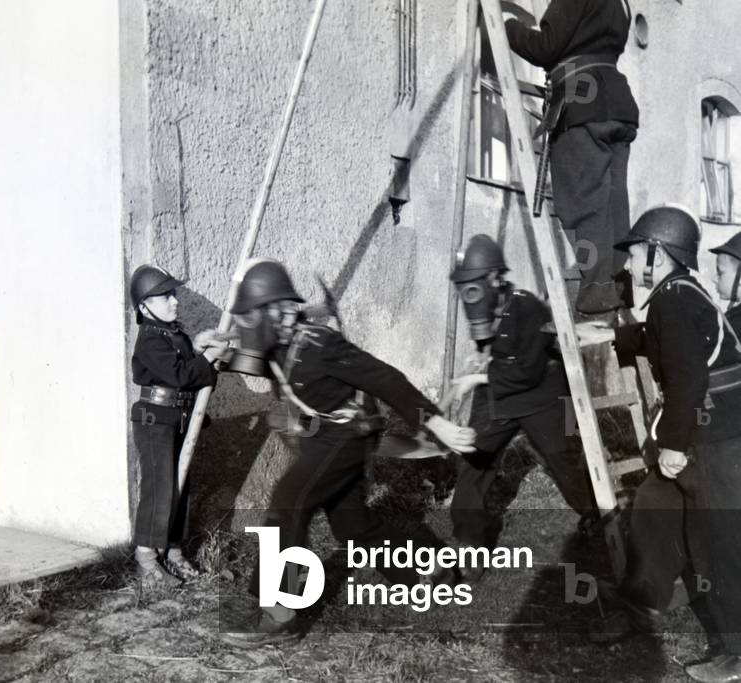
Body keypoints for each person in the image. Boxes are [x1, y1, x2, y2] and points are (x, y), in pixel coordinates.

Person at [219, 259, 477, 648]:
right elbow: (254, 360)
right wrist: (214, 351)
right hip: (325, 438)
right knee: (353, 528)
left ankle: (280, 615)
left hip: (345, 437)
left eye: (251, 316)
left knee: (288, 504)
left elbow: (387, 379)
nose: (246, 326)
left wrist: (436, 423)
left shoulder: (320, 345)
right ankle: (429, 573)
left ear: (276, 312)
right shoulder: (278, 346)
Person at [576, 207, 741, 660]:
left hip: (714, 441)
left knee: (720, 544)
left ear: (658, 254)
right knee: (654, 504)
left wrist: (673, 444)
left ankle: (733, 653)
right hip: (709, 432)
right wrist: (620, 340)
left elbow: (687, 376)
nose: (627, 266)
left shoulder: (675, 299)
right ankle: (643, 602)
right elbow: (665, 339)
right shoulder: (682, 293)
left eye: (633, 255)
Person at [448, 235, 595, 570]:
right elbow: (489, 345)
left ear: (496, 278)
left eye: (475, 285)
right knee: (472, 460)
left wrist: (474, 379)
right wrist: (479, 359)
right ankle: (469, 546)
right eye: (465, 287)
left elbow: (528, 372)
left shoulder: (527, 306)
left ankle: (595, 518)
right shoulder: (481, 306)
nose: (470, 292)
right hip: (498, 394)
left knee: (563, 461)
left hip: (539, 394)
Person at [505, 0, 639, 320]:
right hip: (616, 105)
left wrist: (508, 24)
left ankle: (598, 295)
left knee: (581, 205)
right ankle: (616, 290)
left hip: (582, 103)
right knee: (612, 204)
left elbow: (545, 48)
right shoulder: (622, 4)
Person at [129, 265, 228, 587]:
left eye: (174, 294)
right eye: (165, 296)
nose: (175, 301)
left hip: (178, 418)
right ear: (145, 307)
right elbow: (181, 376)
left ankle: (172, 553)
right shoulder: (149, 340)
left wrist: (200, 348)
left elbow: (188, 365)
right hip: (155, 420)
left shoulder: (173, 333)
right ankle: (146, 560)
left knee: (180, 488)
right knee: (160, 488)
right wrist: (207, 358)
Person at [685, 233, 741, 683]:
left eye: (722, 269)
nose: (714, 276)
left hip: (724, 451)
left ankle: (734, 655)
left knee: (722, 547)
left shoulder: (734, 327)